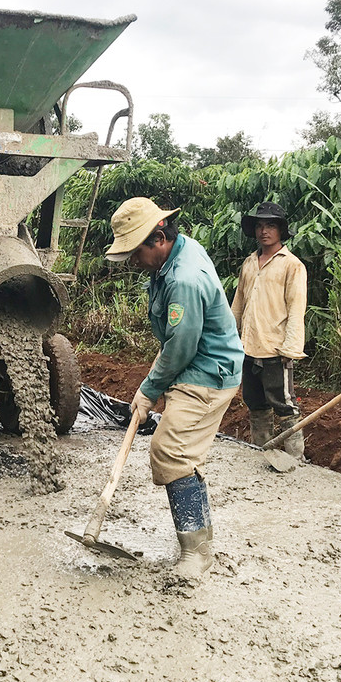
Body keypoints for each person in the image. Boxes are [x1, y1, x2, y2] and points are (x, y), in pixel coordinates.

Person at [105, 197, 244, 578]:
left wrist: (150, 389)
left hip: (208, 371)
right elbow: (176, 338)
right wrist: (152, 386)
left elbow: (181, 345)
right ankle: (199, 537)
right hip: (194, 363)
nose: (134, 262)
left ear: (160, 238)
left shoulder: (184, 278)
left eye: (136, 252)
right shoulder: (176, 254)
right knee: (181, 453)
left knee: (170, 450)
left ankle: (196, 552)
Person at [231, 202, 307, 459]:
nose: (264, 231)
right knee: (255, 402)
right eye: (260, 226)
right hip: (249, 346)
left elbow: (296, 308)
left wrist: (291, 348)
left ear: (281, 230)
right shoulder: (249, 263)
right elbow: (238, 304)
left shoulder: (292, 265)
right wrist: (229, 337)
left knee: (284, 404)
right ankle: (261, 452)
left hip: (276, 348)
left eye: (270, 225)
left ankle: (296, 458)